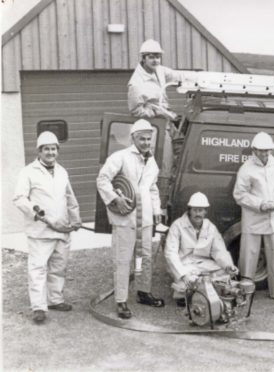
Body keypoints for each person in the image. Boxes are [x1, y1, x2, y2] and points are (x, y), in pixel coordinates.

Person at [96, 119, 164, 319]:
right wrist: (115, 198)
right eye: (141, 138)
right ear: (133, 138)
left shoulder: (152, 161)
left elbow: (152, 187)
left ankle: (143, 292)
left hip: (145, 221)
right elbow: (102, 179)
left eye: (148, 139)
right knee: (123, 259)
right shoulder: (120, 157)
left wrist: (157, 209)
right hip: (125, 219)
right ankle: (121, 300)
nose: (145, 142)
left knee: (144, 258)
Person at [13, 131, 82, 324]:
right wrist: (38, 216)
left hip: (62, 230)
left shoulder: (62, 171)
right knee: (38, 268)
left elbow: (70, 198)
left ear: (57, 151)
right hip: (40, 231)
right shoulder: (28, 172)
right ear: (39, 151)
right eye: (46, 149)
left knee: (59, 267)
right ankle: (38, 307)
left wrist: (75, 220)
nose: (50, 153)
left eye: (53, 149)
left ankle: (55, 300)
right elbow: (19, 198)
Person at [127, 39, 195, 219]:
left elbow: (178, 76)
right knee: (164, 165)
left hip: (169, 121)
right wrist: (157, 112)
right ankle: (162, 207)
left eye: (158, 56)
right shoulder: (136, 83)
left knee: (183, 154)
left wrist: (196, 78)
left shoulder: (161, 72)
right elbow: (136, 111)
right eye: (151, 57)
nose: (155, 60)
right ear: (143, 58)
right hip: (156, 125)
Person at [233, 132, 274, 304]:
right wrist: (260, 204)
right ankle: (244, 291)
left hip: (273, 218)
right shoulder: (246, 168)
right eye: (262, 151)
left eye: (268, 151)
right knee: (248, 256)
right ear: (254, 150)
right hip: (253, 218)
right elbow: (239, 194)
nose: (265, 154)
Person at [164, 192, 239, 306]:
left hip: (203, 264)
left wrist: (228, 265)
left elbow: (219, 251)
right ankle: (193, 291)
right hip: (184, 264)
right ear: (189, 210)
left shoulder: (210, 227)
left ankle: (205, 289)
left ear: (205, 212)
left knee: (225, 273)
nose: (198, 214)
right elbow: (170, 253)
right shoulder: (177, 225)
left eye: (201, 210)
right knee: (184, 287)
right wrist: (184, 275)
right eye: (195, 210)